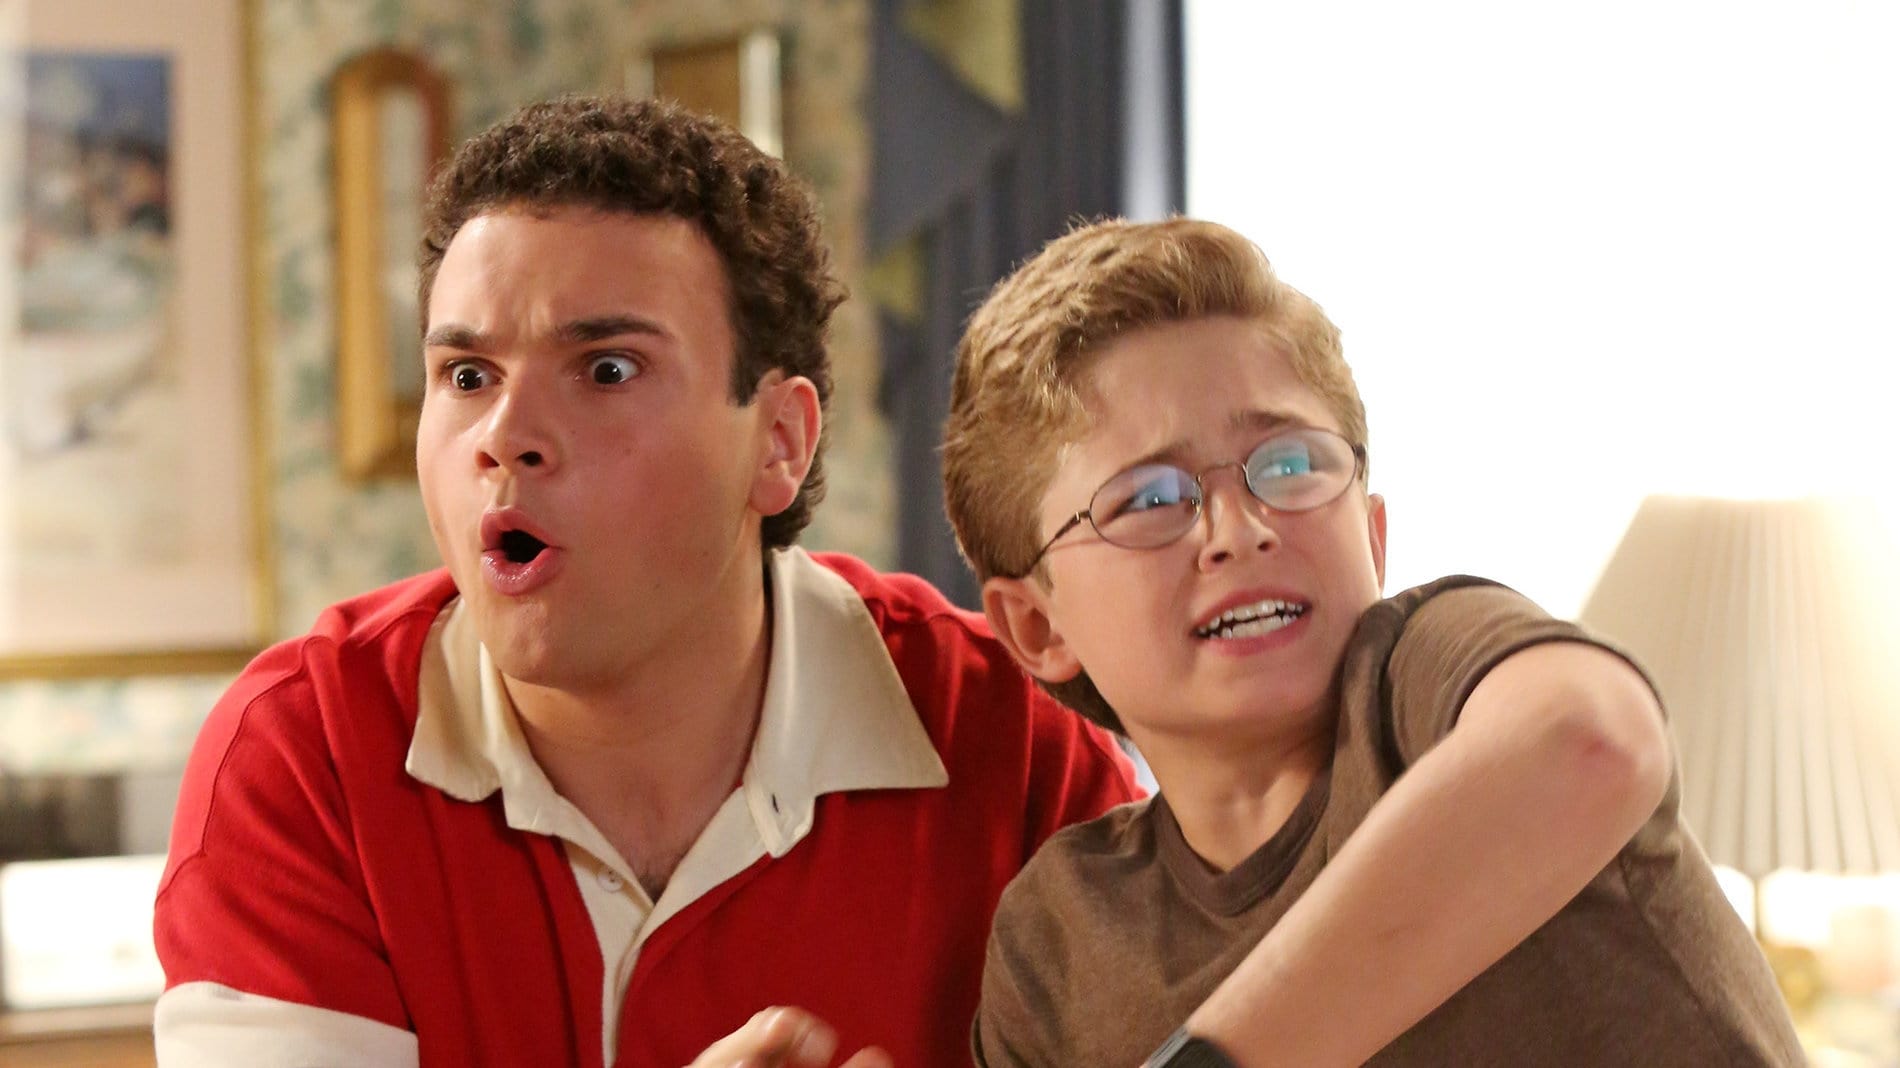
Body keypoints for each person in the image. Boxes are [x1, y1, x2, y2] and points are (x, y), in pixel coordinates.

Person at [152, 95, 1137, 1068]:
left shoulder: (1015, 741)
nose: (505, 437)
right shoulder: (306, 754)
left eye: (607, 371)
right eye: (468, 376)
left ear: (779, 441)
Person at [941, 217, 1806, 1066]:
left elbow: (1592, 742)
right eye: (1151, 499)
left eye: (1288, 465)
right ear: (1038, 626)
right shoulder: (1058, 948)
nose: (1240, 531)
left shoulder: (1427, 679)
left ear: (1372, 531)